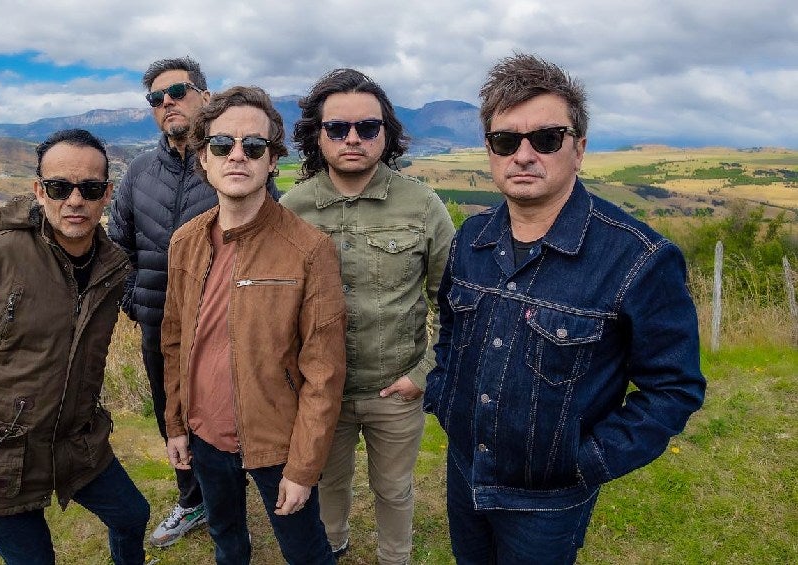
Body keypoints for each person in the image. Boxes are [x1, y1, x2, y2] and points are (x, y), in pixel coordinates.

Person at [424, 53, 706, 564]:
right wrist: (444, 396)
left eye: (546, 139)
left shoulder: (637, 258)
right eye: (505, 141)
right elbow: (450, 330)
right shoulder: (472, 238)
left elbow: (674, 388)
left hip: (548, 502)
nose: (523, 155)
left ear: (579, 148)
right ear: (489, 150)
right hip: (465, 471)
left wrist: (584, 461)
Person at [0, 128, 150, 564]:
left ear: (106, 194)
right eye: (59, 187)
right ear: (39, 191)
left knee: (133, 515)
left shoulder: (112, 267)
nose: (74, 200)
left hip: (74, 442)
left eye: (89, 189)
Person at [161, 85, 347, 565]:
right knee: (226, 541)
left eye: (254, 146)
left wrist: (303, 468)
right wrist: (176, 424)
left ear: (273, 161)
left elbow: (324, 372)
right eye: (222, 144)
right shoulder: (185, 242)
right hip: (205, 436)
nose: (237, 155)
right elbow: (174, 342)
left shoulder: (309, 249)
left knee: (305, 552)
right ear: (204, 158)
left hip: (276, 441)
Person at [282, 68, 454, 564]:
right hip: (321, 392)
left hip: (395, 388)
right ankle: (332, 548)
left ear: (386, 133)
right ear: (318, 136)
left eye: (367, 127)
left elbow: (452, 301)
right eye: (338, 128)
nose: (353, 138)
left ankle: (394, 557)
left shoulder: (422, 205)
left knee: (394, 489)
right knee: (326, 483)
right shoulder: (292, 209)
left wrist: (423, 375)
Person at [107, 57, 279, 547]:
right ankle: (192, 499)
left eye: (177, 92)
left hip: (225, 323)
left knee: (232, 411)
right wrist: (133, 301)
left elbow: (268, 233)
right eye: (156, 98)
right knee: (172, 414)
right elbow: (118, 243)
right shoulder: (140, 171)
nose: (167, 103)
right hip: (157, 323)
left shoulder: (230, 161)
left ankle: (247, 492)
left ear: (204, 96)